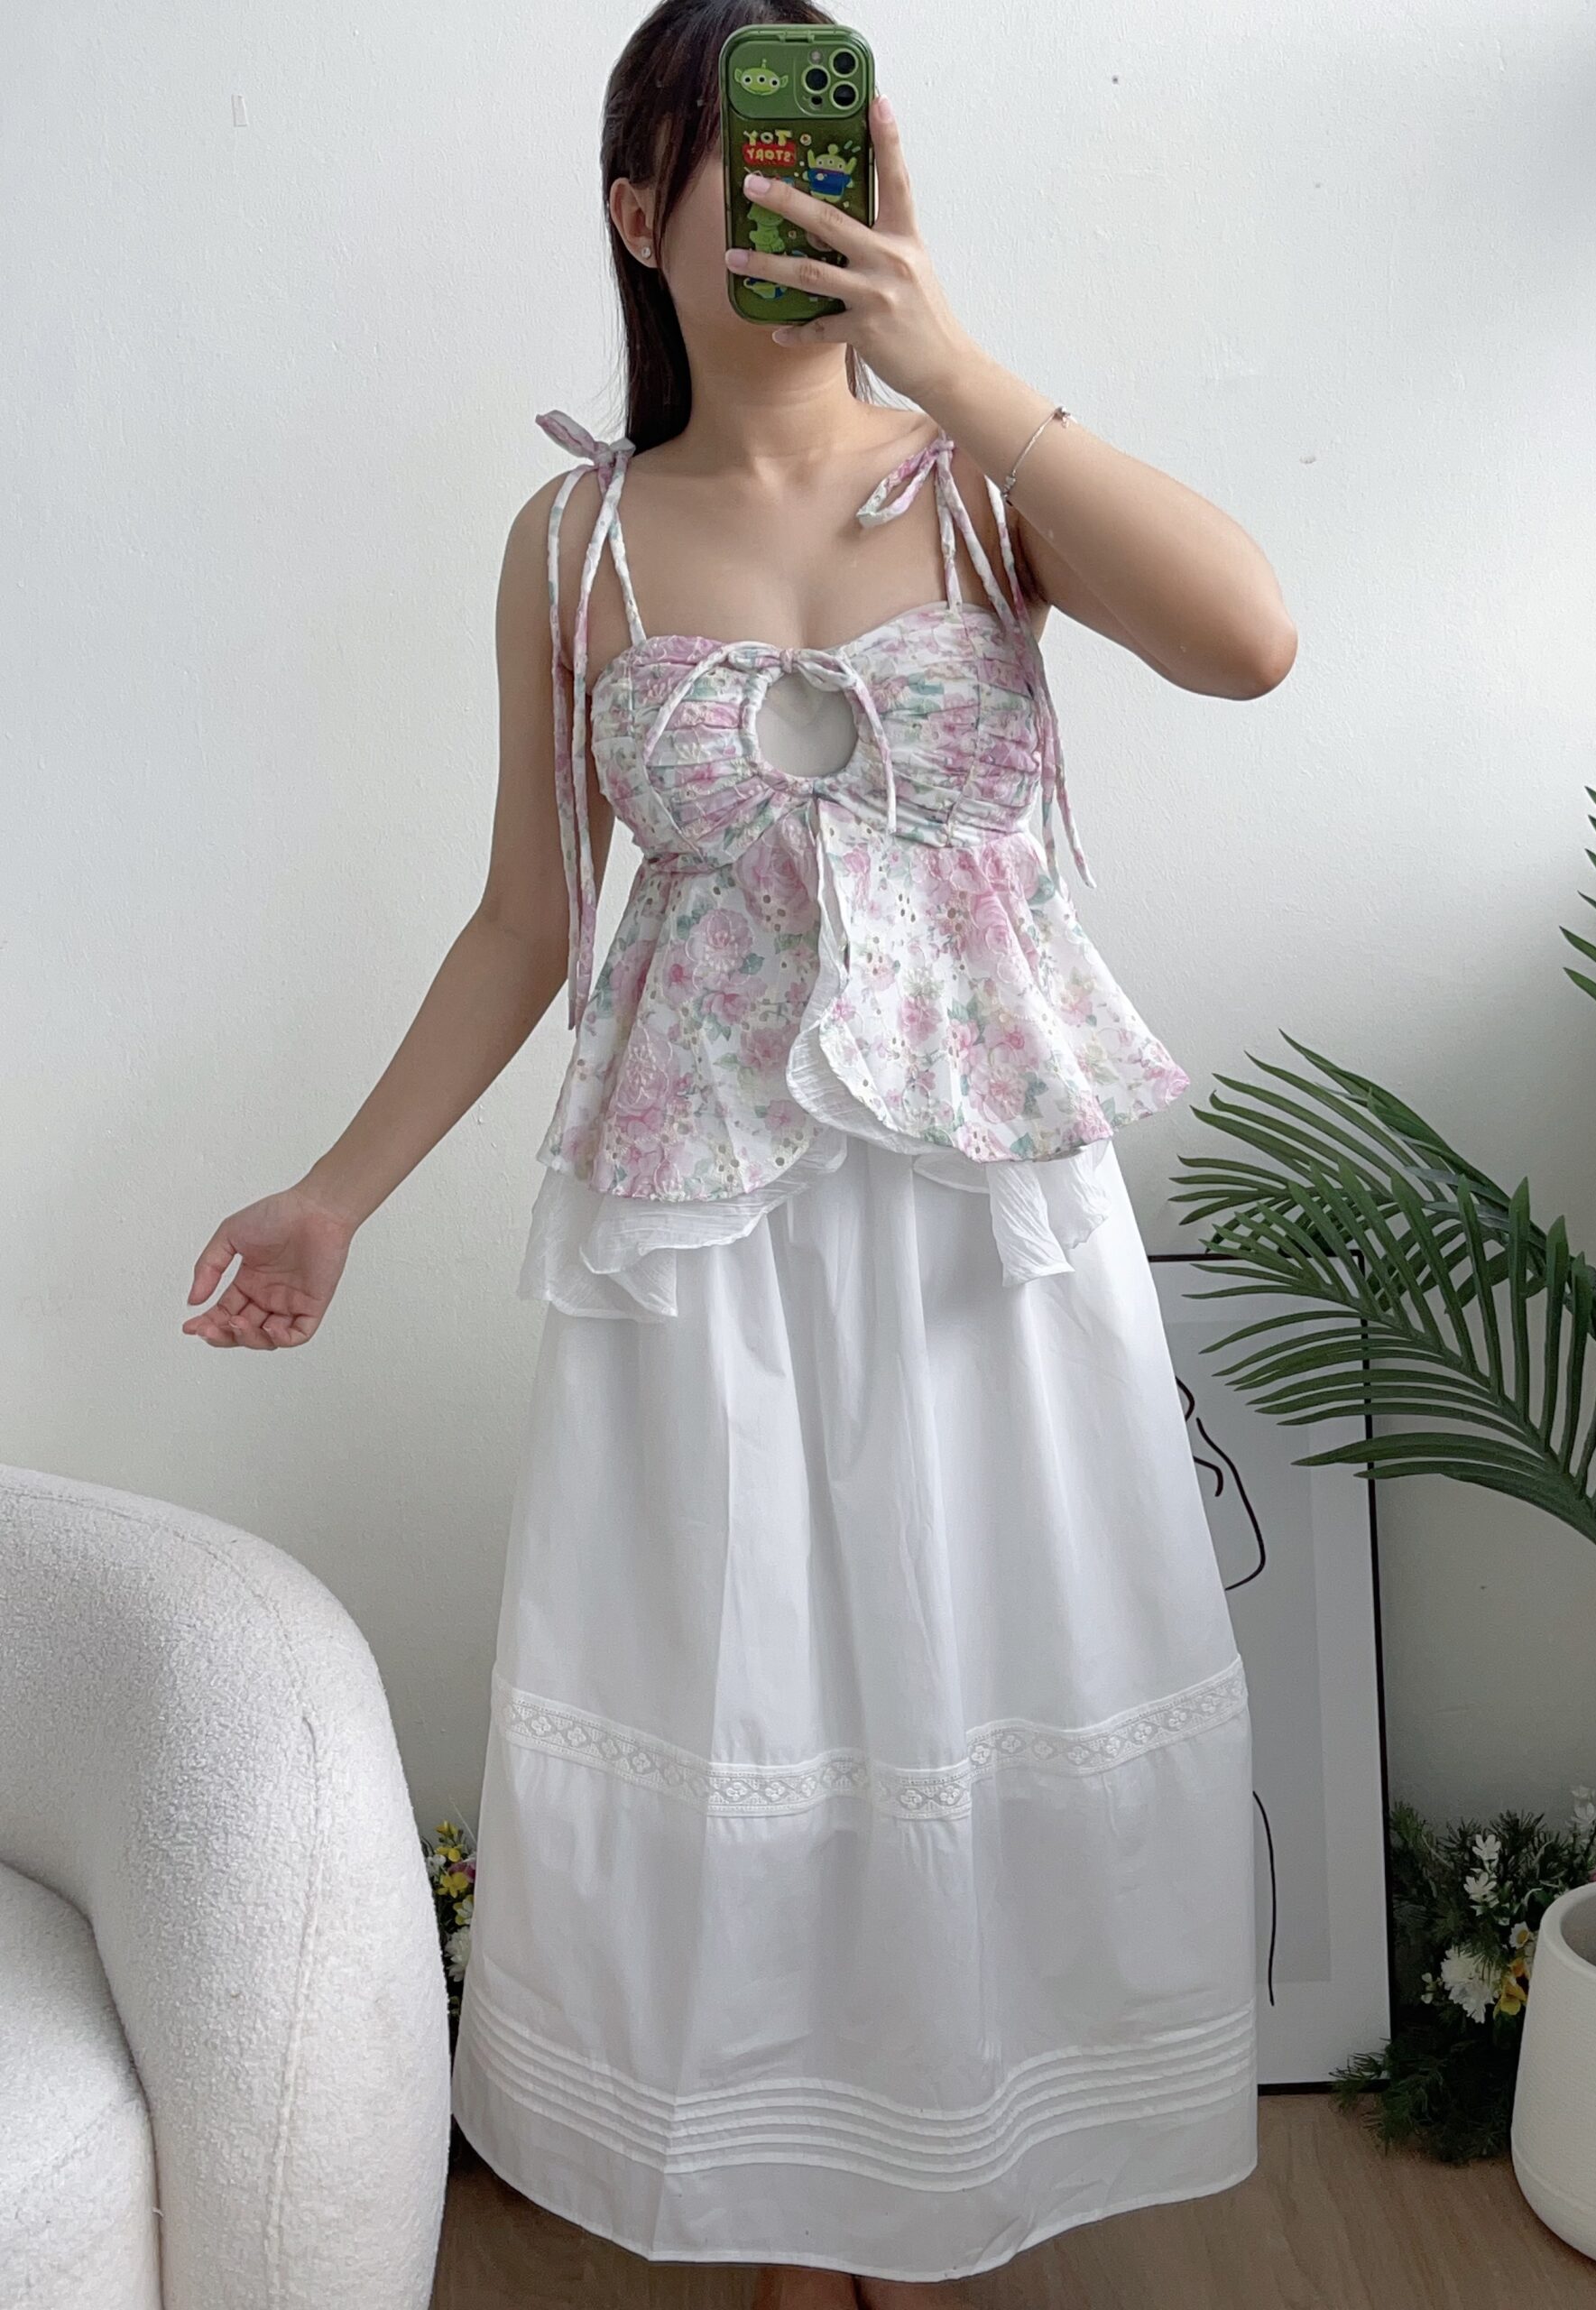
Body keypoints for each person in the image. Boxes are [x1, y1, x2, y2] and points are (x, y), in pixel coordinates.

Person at [183, 1, 1297, 2298]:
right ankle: (802, 2230)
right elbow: (529, 920)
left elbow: (1252, 640)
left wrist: (957, 360)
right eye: (752, 161)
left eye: (839, 154)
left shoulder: (981, 486)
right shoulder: (574, 543)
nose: (805, 198)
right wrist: (333, 1192)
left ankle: (945, 2195)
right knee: (752, 1696)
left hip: (985, 1223)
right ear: (640, 210)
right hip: (706, 1241)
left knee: (975, 1683)